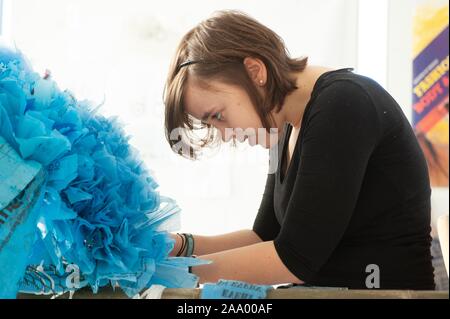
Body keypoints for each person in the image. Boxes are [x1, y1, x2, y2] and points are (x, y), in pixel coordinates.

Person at [163, 10, 435, 290]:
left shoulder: (342, 105)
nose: (224, 134)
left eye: (218, 116)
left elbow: (295, 258)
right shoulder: (285, 127)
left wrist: (175, 271)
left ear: (255, 71)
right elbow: (265, 237)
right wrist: (177, 246)